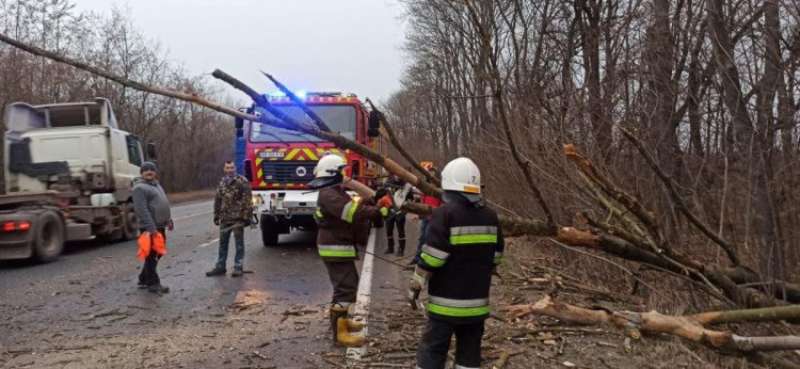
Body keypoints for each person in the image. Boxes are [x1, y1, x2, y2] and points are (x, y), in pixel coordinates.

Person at [409, 157, 504, 369]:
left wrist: (415, 283)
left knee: (433, 350)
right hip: (477, 306)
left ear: (448, 187)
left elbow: (433, 258)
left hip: (445, 306)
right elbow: (496, 257)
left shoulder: (444, 214)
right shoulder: (491, 216)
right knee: (469, 354)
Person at [310, 154, 394, 347]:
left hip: (339, 246)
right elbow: (351, 213)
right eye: (341, 171)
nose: (344, 174)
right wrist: (378, 211)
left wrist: (373, 201)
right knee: (346, 289)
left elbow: (355, 207)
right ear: (332, 172)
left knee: (346, 287)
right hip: (334, 248)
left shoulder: (334, 191)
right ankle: (340, 335)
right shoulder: (329, 194)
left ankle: (344, 325)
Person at [207, 161, 253, 277]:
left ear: (235, 168)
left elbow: (248, 201)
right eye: (228, 168)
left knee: (239, 244)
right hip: (224, 218)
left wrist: (246, 217)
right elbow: (218, 199)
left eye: (232, 167)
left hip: (237, 219)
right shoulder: (222, 182)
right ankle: (220, 267)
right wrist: (216, 215)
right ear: (224, 169)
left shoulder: (242, 181)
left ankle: (238, 267)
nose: (230, 170)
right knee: (222, 244)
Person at [133, 161, 173, 294]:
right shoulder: (139, 188)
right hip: (150, 228)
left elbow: (163, 203)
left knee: (159, 253)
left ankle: (144, 278)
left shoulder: (157, 185)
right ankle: (153, 283)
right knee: (152, 255)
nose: (149, 172)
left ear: (155, 172)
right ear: (141, 173)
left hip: (160, 225)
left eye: (151, 169)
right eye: (146, 170)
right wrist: (152, 229)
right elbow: (141, 210)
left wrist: (169, 220)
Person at [411, 166, 442, 265]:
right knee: (422, 238)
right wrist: (419, 215)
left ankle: (425, 261)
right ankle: (417, 258)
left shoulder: (440, 190)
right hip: (425, 217)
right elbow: (423, 203)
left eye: (432, 174)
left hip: (434, 218)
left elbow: (442, 205)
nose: (431, 177)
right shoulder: (426, 188)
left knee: (428, 239)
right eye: (429, 175)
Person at [384, 174, 410, 256]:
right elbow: (384, 194)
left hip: (400, 211)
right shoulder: (388, 182)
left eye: (399, 175)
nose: (397, 176)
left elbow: (410, 199)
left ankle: (401, 250)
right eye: (395, 175)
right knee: (389, 230)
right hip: (390, 210)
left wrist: (404, 211)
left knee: (401, 231)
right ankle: (390, 248)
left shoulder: (406, 185)